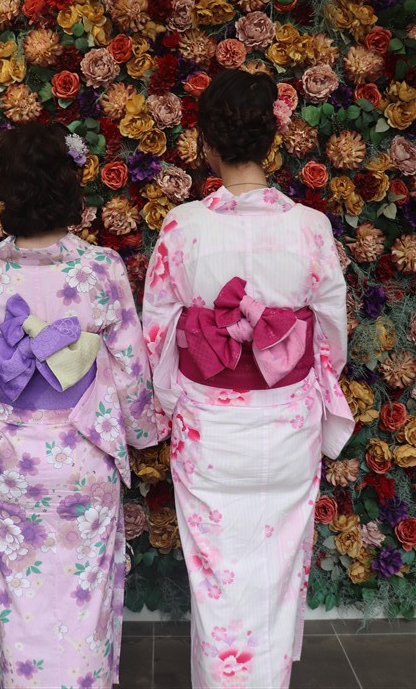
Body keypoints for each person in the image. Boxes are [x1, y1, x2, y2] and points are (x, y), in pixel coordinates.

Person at [142, 69, 355, 689]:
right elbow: (331, 336)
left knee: (218, 583)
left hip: (210, 431)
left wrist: (171, 402)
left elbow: (157, 332)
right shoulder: (309, 227)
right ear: (271, 140)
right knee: (276, 573)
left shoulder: (183, 226)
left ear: (207, 142)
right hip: (286, 427)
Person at [0, 122, 157, 689]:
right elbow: (129, 365)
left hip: (16, 456)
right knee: (83, 587)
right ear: (69, 185)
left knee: (22, 591)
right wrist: (141, 429)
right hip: (82, 450)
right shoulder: (99, 267)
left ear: (8, 189)